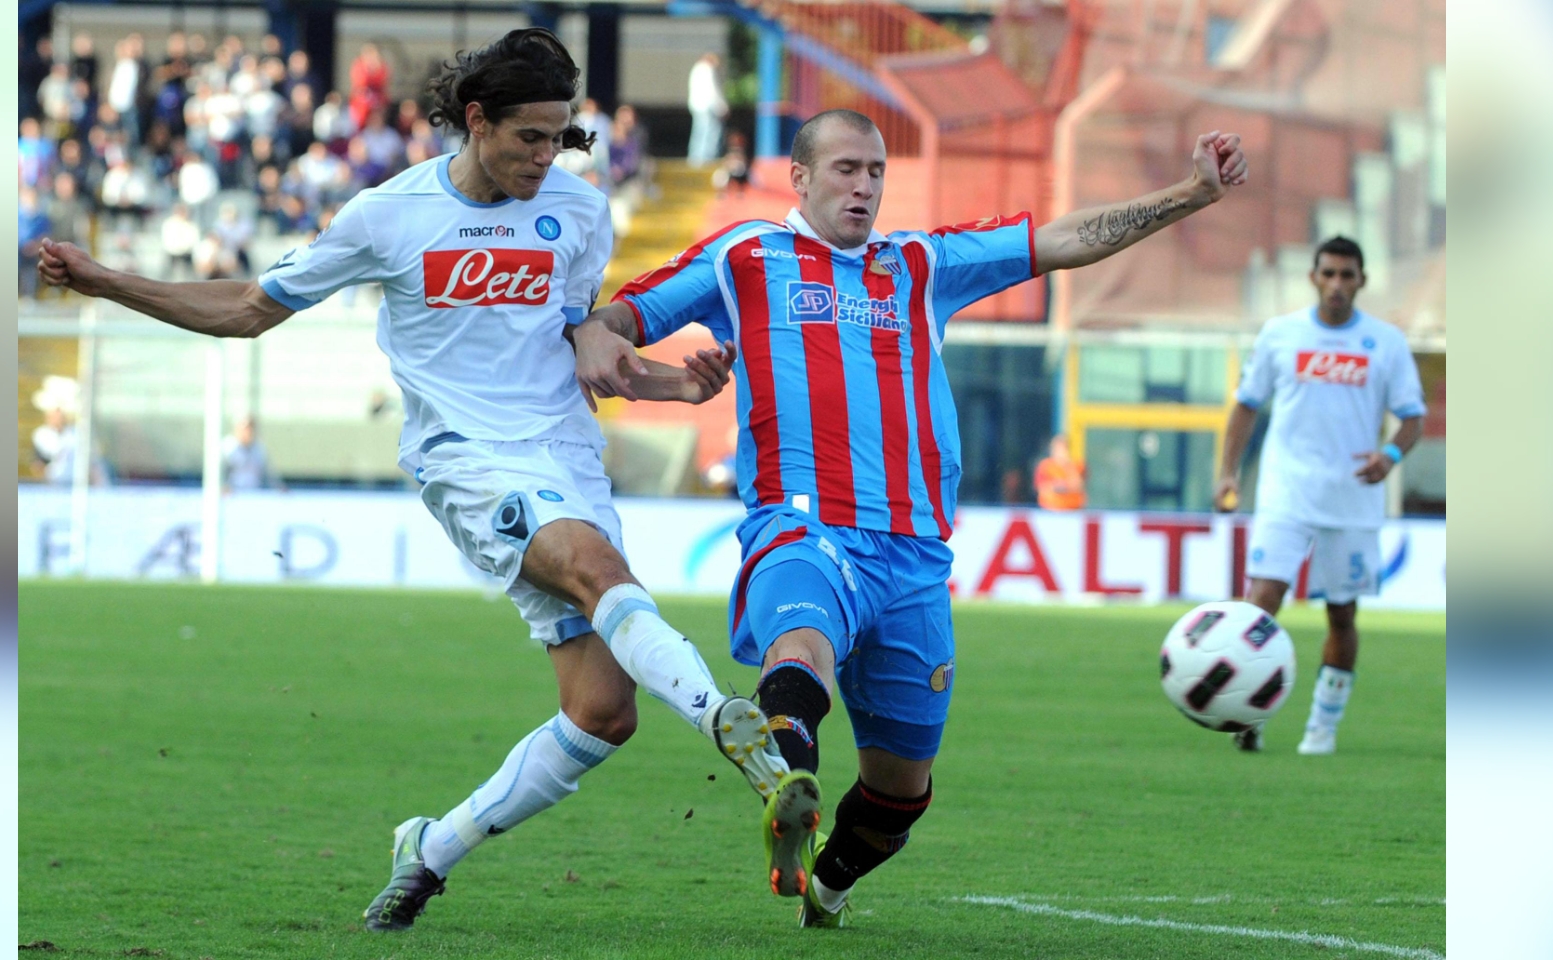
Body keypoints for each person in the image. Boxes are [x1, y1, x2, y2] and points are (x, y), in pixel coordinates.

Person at [36, 27, 792, 935]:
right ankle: (734, 730)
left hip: (565, 455)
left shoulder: (580, 211)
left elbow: (578, 343)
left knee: (603, 711)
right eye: (529, 138)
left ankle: (431, 847)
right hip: (468, 460)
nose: (545, 157)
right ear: (476, 121)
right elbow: (246, 309)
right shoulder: (386, 216)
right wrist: (108, 282)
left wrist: (667, 379)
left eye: (559, 139)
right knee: (597, 570)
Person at [574, 108, 1248, 926]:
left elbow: (1065, 239)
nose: (864, 186)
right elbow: (618, 320)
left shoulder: (922, 264)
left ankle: (823, 884)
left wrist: (1191, 193)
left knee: (901, 791)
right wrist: (613, 350)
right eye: (846, 169)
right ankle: (783, 775)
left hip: (915, 555)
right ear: (800, 176)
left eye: (876, 171)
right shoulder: (746, 258)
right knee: (802, 642)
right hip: (803, 521)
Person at [1214, 236, 1424, 756]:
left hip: (1351, 499)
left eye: (1346, 275)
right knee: (1260, 604)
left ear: (1361, 281)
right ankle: (1247, 716)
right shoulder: (1281, 335)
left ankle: (1322, 730)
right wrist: (1227, 473)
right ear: (1313, 277)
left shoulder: (1386, 343)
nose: (1336, 284)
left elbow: (1412, 417)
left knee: (1342, 613)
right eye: (1328, 273)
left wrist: (1390, 457)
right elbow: (1246, 405)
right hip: (1287, 492)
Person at [687, 53, 726, 168]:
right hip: (708, 107)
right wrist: (722, 107)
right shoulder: (707, 69)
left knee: (698, 133)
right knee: (710, 134)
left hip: (697, 106)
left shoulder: (696, 69)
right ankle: (707, 159)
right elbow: (713, 91)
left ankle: (695, 159)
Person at [221, 416, 276, 490]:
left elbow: (269, 475)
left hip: (254, 495)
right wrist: (223, 486)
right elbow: (219, 474)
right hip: (232, 495)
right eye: (245, 428)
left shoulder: (259, 449)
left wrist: (278, 488)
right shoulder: (227, 447)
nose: (248, 431)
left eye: (250, 428)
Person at [1034, 433, 1086, 510]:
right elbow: (1042, 488)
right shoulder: (1045, 466)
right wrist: (1059, 486)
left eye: (1063, 448)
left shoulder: (1077, 465)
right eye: (1058, 448)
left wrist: (1068, 465)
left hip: (1073, 511)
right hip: (1050, 510)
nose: (1060, 451)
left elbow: (1078, 486)